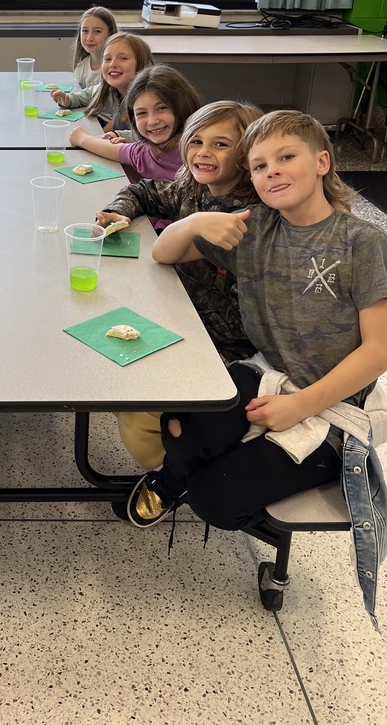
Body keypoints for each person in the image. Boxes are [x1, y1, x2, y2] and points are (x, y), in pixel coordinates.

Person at [128, 110, 387, 577]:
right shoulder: (253, 228)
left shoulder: (361, 242)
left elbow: (379, 350)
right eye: (260, 166)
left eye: (286, 157)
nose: (273, 172)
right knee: (180, 425)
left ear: (322, 162)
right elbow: (164, 253)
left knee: (215, 499)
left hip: (335, 402)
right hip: (267, 373)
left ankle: (214, 478)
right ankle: (174, 479)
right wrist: (195, 222)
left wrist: (301, 405)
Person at [96, 100, 263, 470]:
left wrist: (172, 320)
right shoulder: (192, 188)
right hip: (179, 315)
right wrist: (120, 210)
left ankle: (172, 477)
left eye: (221, 144)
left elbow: (242, 325)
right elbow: (145, 191)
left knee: (138, 412)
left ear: (247, 154)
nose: (203, 152)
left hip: (221, 348)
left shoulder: (249, 219)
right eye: (196, 141)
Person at [69, 65, 201, 206]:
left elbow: (86, 140)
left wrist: (80, 137)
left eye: (161, 108)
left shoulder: (148, 153)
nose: (152, 121)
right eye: (142, 113)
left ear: (182, 105)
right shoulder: (145, 151)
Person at [51, 32, 153, 135]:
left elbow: (145, 136)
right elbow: (89, 94)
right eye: (107, 59)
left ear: (142, 64)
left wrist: (111, 133)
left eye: (123, 58)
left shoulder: (146, 98)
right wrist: (68, 100)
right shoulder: (109, 89)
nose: (113, 64)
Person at [68, 6, 118, 90]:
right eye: (85, 31)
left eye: (97, 31)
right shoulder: (81, 69)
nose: (89, 38)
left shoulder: (117, 68)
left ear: (110, 34)